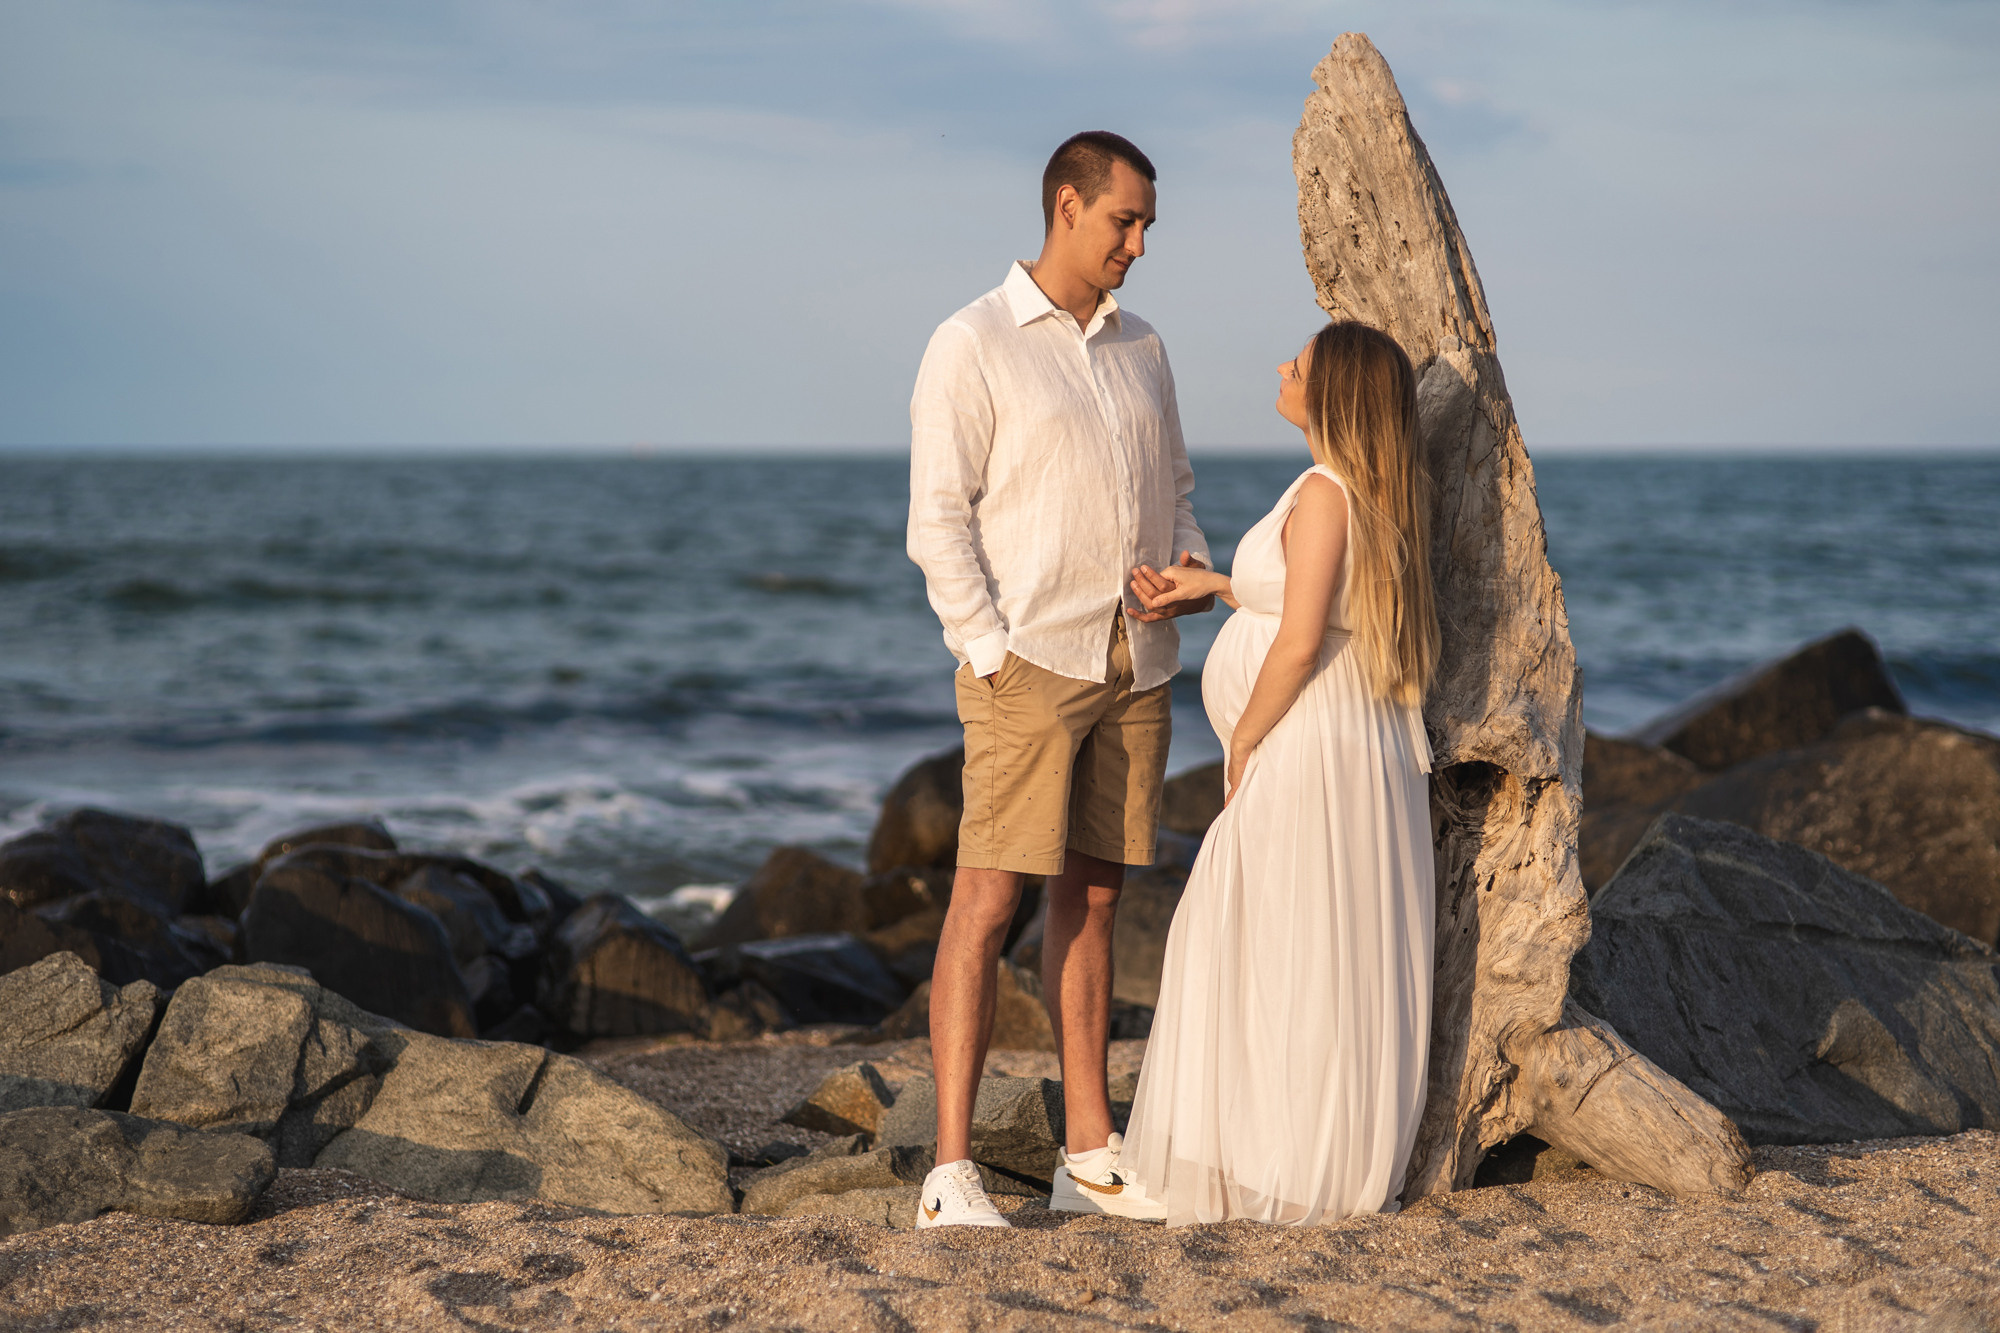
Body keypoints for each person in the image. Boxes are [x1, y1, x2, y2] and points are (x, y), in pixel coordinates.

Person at [905, 131, 1212, 1228]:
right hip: (1027, 663)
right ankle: (948, 1174)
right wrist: (988, 650)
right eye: (1122, 221)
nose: (1136, 244)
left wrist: (1181, 572)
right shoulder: (973, 341)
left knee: (1095, 895)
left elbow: (1172, 488)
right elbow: (936, 522)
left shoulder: (1144, 347)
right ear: (1067, 204)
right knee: (985, 900)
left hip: (1132, 665)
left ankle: (1088, 1155)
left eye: (1146, 228)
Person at [1119, 320, 1440, 1226]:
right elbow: (1310, 600)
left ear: (1330, 392)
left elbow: (1300, 643)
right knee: (1301, 944)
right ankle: (1283, 1159)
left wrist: (1245, 738)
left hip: (1305, 744)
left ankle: (1282, 1170)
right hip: (1339, 743)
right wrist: (1218, 586)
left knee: (1270, 944)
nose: (1279, 368)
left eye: (1296, 363)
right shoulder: (1352, 493)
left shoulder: (1326, 493)